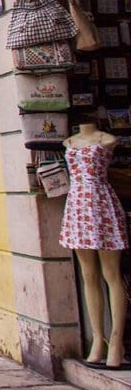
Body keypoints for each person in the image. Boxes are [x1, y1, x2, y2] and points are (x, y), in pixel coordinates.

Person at [60, 122, 129, 370]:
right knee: (88, 275)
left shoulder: (106, 139)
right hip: (78, 205)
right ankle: (98, 340)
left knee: (112, 274)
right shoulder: (69, 141)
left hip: (101, 203)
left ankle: (117, 339)